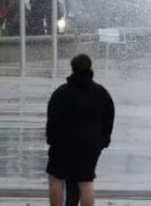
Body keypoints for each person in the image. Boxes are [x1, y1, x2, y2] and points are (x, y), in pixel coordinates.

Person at [46, 54, 115, 206]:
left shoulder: (61, 93)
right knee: (86, 181)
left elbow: (53, 118)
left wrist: (51, 139)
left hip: (62, 144)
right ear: (89, 68)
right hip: (90, 145)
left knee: (57, 179)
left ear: (73, 68)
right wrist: (103, 140)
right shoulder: (101, 94)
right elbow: (108, 119)